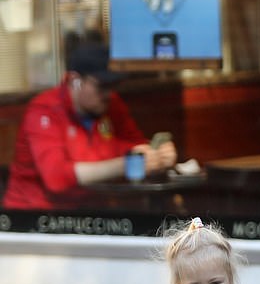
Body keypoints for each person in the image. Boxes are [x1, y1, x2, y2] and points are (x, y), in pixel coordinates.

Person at [2, 40, 177, 209]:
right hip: (34, 217)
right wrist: (125, 164)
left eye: (113, 85)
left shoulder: (111, 104)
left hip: (92, 211)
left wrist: (157, 156)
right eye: (102, 86)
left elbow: (136, 147)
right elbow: (57, 179)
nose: (108, 93)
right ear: (74, 80)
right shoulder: (44, 111)